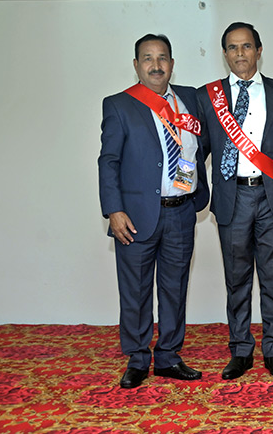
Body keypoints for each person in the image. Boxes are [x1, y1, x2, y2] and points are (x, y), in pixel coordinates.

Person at [98, 34, 209, 389]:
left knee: (175, 288)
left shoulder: (190, 99)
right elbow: (108, 161)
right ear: (136, 65)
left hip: (182, 212)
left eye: (162, 58)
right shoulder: (119, 105)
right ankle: (137, 358)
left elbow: (201, 146)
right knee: (136, 290)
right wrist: (113, 210)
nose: (156, 65)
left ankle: (169, 357)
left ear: (172, 64)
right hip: (135, 215)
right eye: (148, 58)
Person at [196, 22, 273, 380]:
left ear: (259, 50)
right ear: (224, 53)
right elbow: (196, 151)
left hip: (271, 197)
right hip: (233, 198)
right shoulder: (207, 97)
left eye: (246, 46)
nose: (240, 53)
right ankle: (241, 350)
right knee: (237, 279)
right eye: (232, 47)